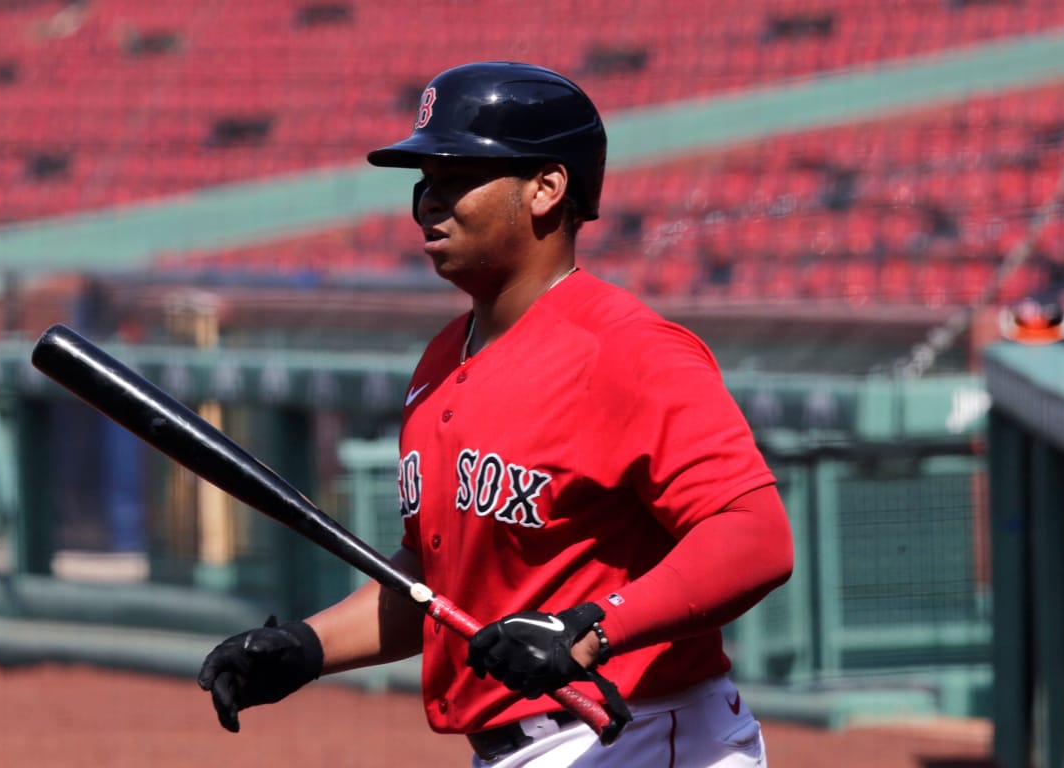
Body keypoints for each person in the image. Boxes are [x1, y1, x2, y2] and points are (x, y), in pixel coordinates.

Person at [198, 61, 795, 767]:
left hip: (638, 733)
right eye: (424, 181)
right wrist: (308, 646)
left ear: (547, 188)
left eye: (457, 177)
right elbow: (435, 586)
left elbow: (755, 535)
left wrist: (590, 629)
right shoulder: (441, 361)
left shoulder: (627, 350)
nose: (428, 202)